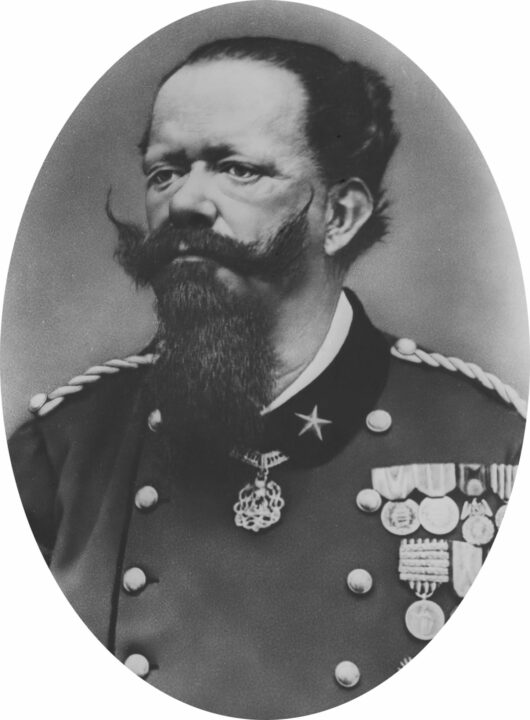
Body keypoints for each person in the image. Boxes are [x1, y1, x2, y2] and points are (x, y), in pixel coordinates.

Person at [8, 36, 526, 719]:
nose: (185, 202)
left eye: (238, 169)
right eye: (164, 172)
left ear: (339, 216)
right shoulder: (61, 452)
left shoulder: (488, 442)